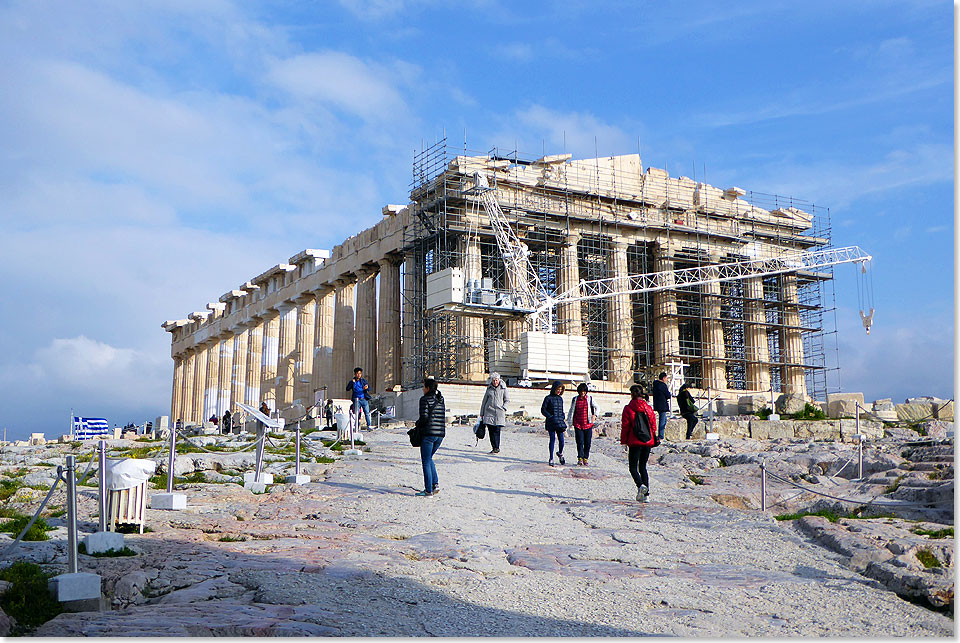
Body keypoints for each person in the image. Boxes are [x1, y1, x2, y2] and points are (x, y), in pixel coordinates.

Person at [621, 384, 658, 502]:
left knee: (633, 467)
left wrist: (624, 441)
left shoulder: (628, 408)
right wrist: (654, 437)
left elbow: (625, 426)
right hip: (647, 441)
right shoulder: (648, 407)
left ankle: (641, 486)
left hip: (634, 441)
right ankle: (646, 496)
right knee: (643, 467)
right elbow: (653, 424)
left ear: (632, 394)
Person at [416, 377, 445, 497]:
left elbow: (424, 418)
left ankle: (428, 490)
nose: (422, 389)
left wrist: (417, 425)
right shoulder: (441, 399)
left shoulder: (424, 399)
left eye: (424, 387)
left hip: (428, 434)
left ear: (428, 388)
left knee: (426, 461)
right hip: (440, 434)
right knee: (429, 458)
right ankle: (435, 484)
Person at [567, 383, 598, 466]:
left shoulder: (590, 399)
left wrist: (595, 415)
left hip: (588, 424)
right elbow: (571, 410)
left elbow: (597, 407)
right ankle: (580, 458)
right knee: (580, 442)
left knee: (587, 442)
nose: (582, 393)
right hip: (578, 424)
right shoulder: (575, 399)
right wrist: (569, 422)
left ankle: (585, 458)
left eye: (584, 391)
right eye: (581, 391)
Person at [478, 372, 508, 454]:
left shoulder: (503, 388)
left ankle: (497, 447)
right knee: (491, 431)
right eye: (494, 380)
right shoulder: (489, 389)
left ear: (499, 380)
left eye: (497, 380)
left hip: (499, 413)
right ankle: (494, 447)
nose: (495, 382)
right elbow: (484, 401)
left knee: (497, 431)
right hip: (489, 412)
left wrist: (504, 408)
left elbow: (507, 400)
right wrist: (482, 413)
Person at [540, 381, 567, 466]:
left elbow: (561, 410)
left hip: (559, 422)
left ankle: (560, 453)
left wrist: (563, 416)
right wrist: (550, 416)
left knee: (562, 441)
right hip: (551, 422)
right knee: (552, 440)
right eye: (557, 389)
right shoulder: (548, 398)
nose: (559, 391)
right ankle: (551, 457)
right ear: (554, 389)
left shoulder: (560, 399)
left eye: (560, 389)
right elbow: (543, 410)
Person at [652, 371, 671, 441]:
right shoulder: (662, 385)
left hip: (657, 404)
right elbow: (668, 395)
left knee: (663, 419)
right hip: (662, 405)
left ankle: (661, 434)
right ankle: (661, 435)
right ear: (663, 378)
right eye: (666, 378)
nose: (666, 379)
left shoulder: (655, 385)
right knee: (662, 420)